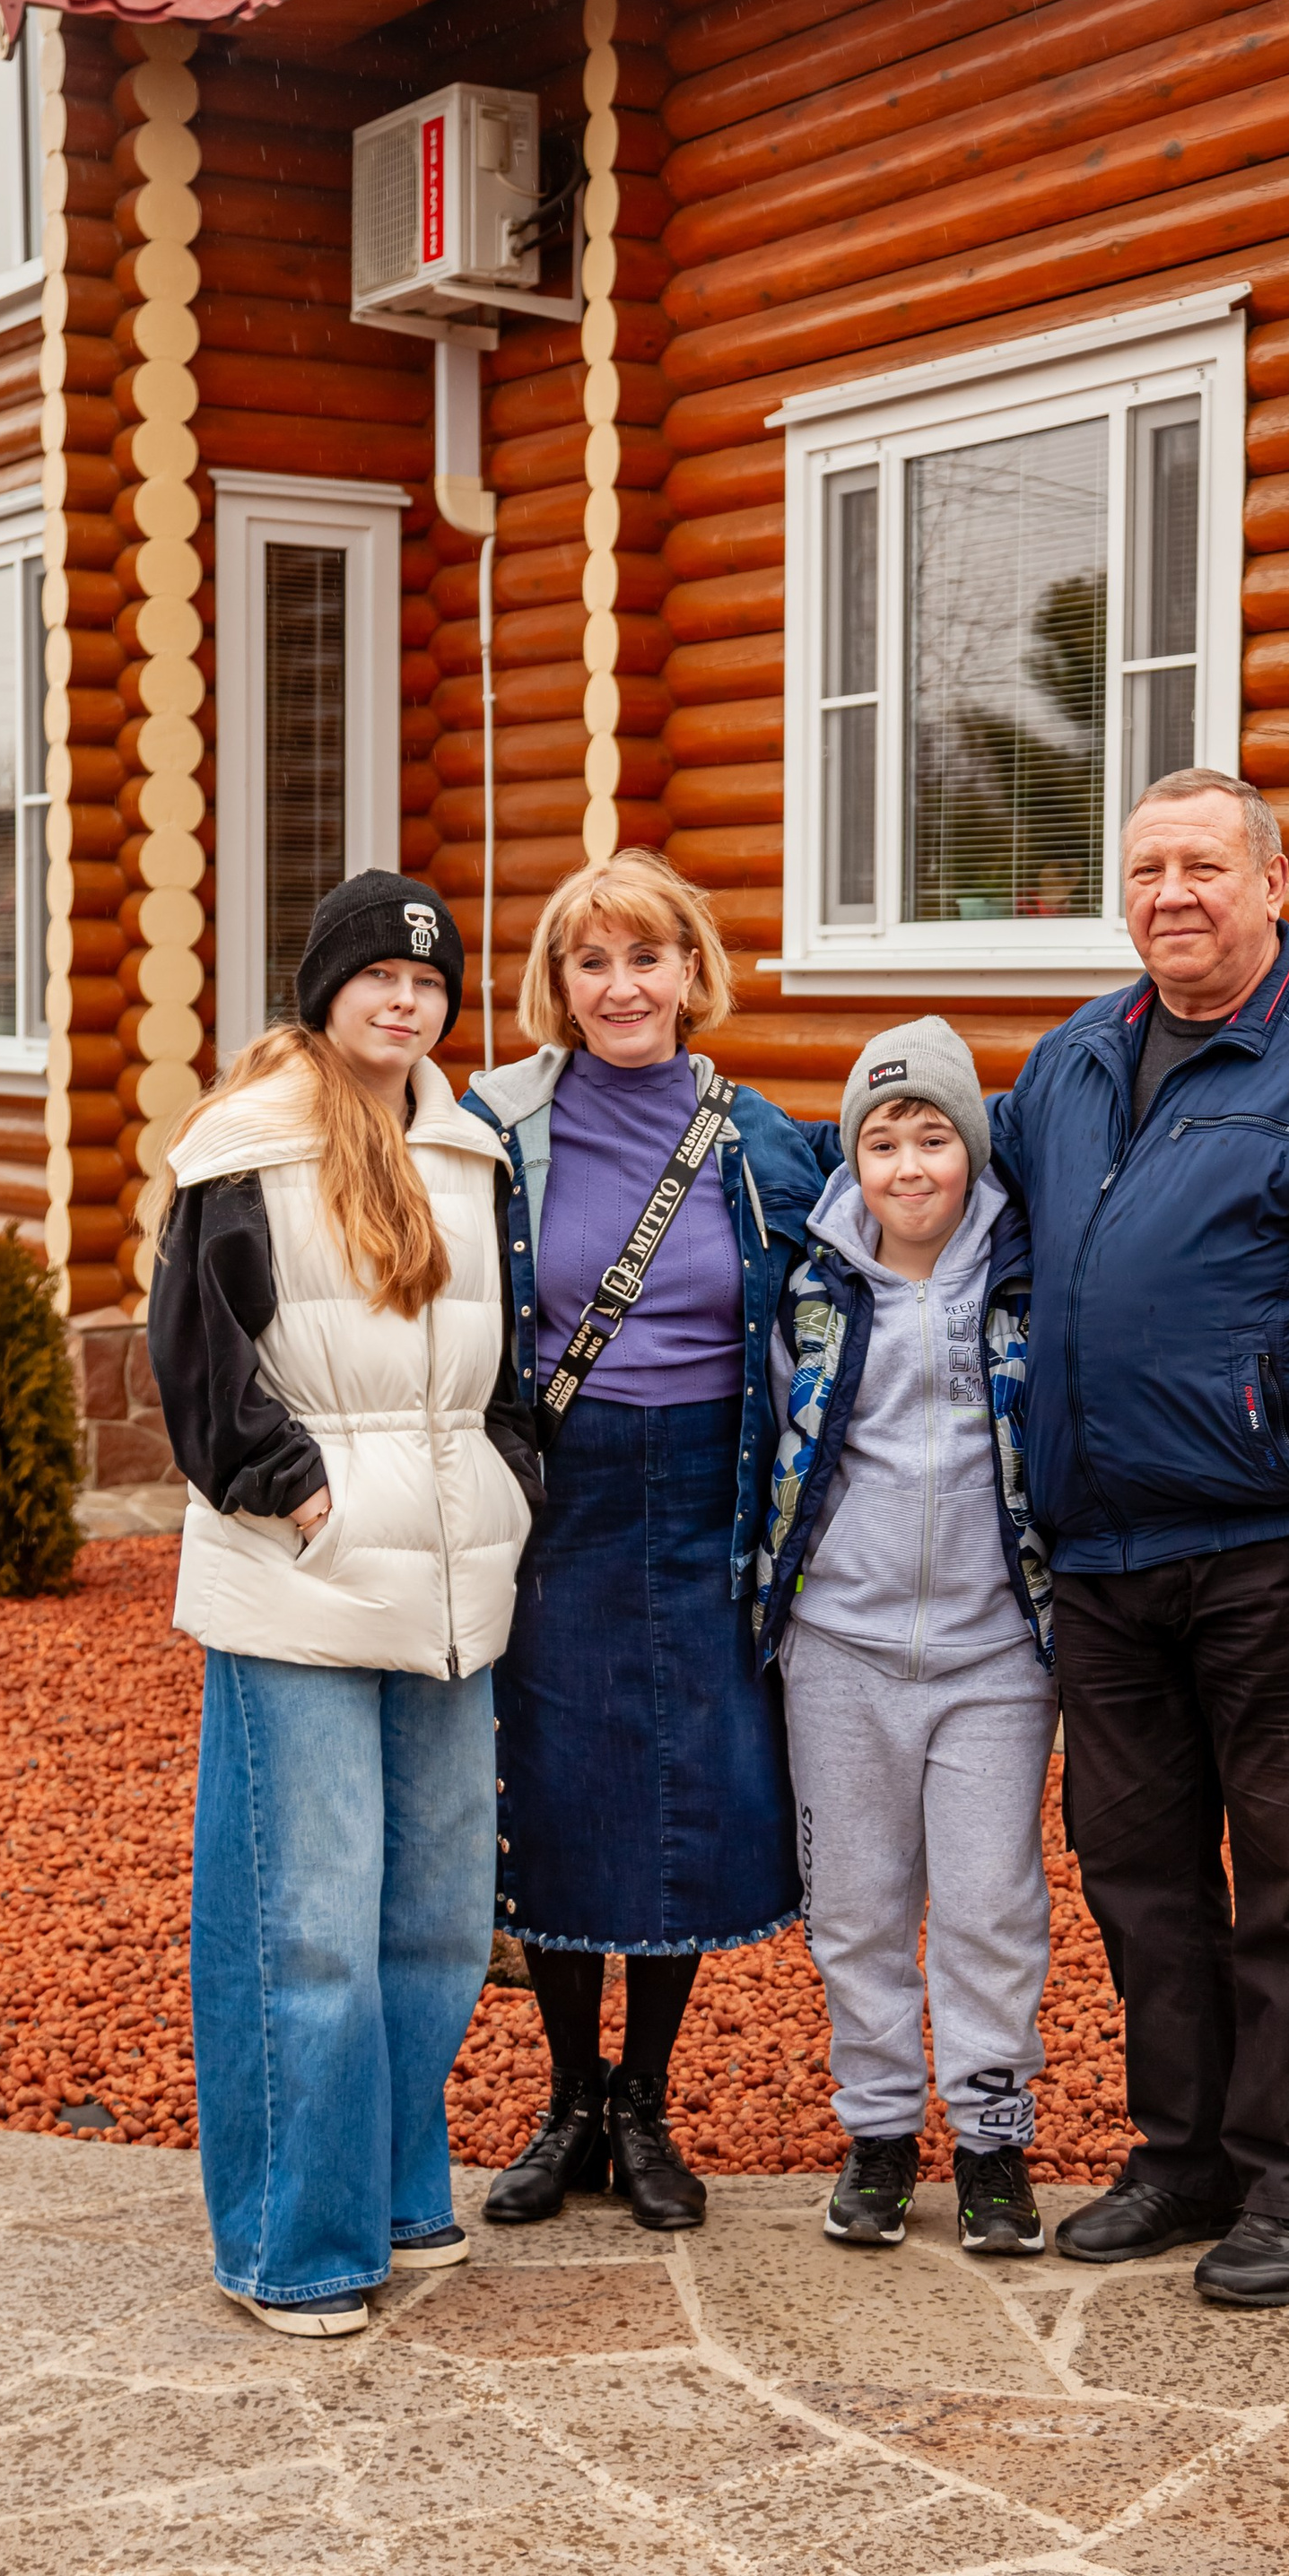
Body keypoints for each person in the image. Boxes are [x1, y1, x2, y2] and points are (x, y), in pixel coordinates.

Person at [991, 766, 1289, 2312]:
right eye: (1146, 871)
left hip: (1285, 1553)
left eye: (1205, 866)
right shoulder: (1074, 1065)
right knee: (1140, 1879)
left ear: (1275, 883)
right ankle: (1184, 2154)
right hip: (1105, 1562)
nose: (1172, 896)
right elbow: (945, 1199)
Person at [144, 874, 536, 2337]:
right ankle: (295, 2245)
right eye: (377, 975)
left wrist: (508, 1487)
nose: (405, 1000)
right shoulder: (249, 1145)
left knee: (431, 1921)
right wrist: (293, 1493)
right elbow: (197, 1360)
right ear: (325, 993)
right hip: (300, 1585)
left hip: (449, 1591)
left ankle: (392, 2185)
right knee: (304, 1927)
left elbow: (508, 1365)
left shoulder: (469, 1149)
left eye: (429, 983)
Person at [467, 852, 830, 2234]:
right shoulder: (495, 1128)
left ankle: (647, 2102)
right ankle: (567, 2100)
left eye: (647, 958)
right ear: (559, 984)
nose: (622, 987)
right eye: (591, 963)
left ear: (693, 972)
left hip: (709, 1496)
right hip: (563, 1497)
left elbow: (842, 1300)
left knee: (692, 1790)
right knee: (560, 1790)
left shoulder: (762, 1141)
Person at [756, 1019, 1057, 2258]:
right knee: (858, 1912)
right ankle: (879, 2134)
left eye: (935, 1136)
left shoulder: (1025, 1282)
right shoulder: (815, 1288)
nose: (911, 1165)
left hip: (992, 1657)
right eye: (885, 1141)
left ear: (970, 1153)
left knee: (990, 1905)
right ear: (856, 1159)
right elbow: (775, 1444)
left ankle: (991, 2140)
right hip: (842, 1647)